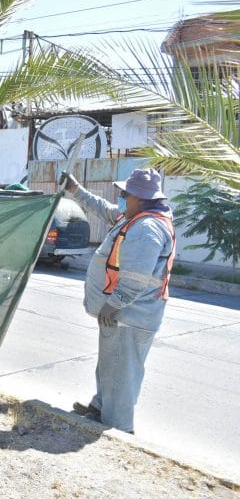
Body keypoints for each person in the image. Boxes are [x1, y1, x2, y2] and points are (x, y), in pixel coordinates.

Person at [61, 168, 176, 435]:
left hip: (130, 316)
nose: (121, 198)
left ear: (141, 198)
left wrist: (114, 304)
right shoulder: (134, 217)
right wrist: (75, 189)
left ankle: (119, 428)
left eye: (125, 194)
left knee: (122, 374)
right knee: (111, 365)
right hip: (122, 314)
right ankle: (100, 407)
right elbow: (103, 208)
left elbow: (137, 277)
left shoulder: (147, 228)